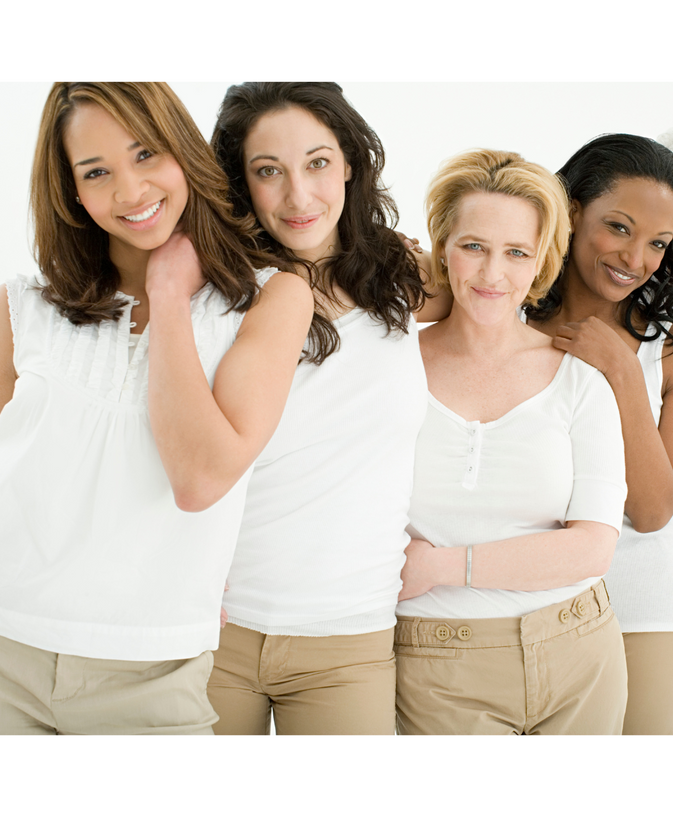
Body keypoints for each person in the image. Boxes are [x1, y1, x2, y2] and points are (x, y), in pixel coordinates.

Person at [0, 82, 314, 734]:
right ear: (71, 191)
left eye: (146, 154)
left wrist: (169, 293)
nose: (129, 190)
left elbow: (201, 478)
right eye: (96, 172)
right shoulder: (17, 308)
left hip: (152, 665)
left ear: (183, 152)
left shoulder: (272, 298)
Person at [205, 82, 448, 735]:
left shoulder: (399, 276)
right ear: (241, 183)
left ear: (348, 162)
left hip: (348, 634)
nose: (298, 196)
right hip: (213, 627)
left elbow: (508, 297)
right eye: (267, 172)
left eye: (316, 162)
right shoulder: (218, 292)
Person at [394, 148, 629, 735]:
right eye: (474, 246)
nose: (492, 273)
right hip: (437, 663)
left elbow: (592, 550)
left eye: (516, 252)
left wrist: (442, 565)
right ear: (443, 248)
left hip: (580, 651)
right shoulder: (391, 371)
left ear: (540, 263)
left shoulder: (580, 380)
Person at [524, 133, 673, 734]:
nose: (636, 258)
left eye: (658, 242)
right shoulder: (504, 320)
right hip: (525, 612)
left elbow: (655, 508)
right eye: (620, 227)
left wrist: (626, 373)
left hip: (652, 615)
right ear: (572, 211)